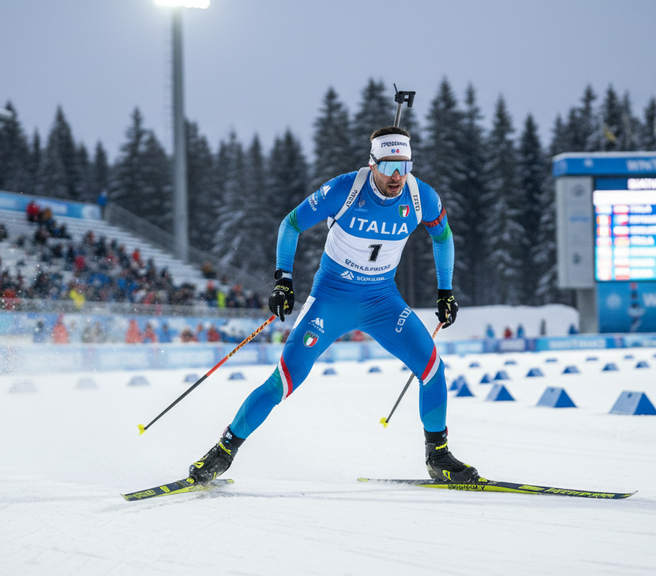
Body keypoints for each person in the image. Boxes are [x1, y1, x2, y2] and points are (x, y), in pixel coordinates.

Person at [186, 125, 476, 486]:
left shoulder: (421, 197)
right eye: (389, 166)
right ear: (373, 164)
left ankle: (438, 456)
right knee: (284, 381)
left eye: (405, 166)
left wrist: (445, 291)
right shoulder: (345, 189)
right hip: (331, 299)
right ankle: (223, 451)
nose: (397, 176)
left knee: (432, 368)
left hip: (382, 301)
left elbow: (443, 238)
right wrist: (283, 281)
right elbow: (290, 224)